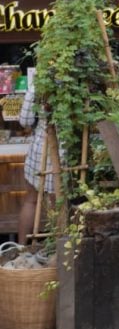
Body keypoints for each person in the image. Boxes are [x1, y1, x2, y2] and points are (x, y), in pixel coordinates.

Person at [16, 80, 62, 245]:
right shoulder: (79, 79)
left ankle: (22, 248)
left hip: (40, 147)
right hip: (65, 149)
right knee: (58, 205)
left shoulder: (40, 81)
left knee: (31, 200)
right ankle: (59, 252)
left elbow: (25, 120)